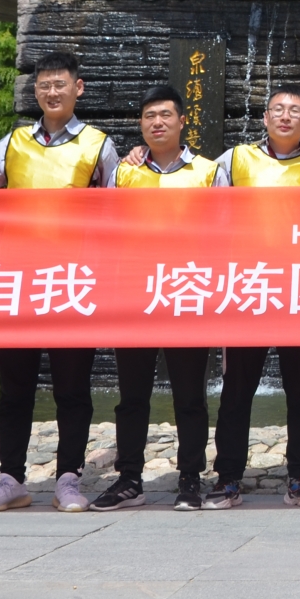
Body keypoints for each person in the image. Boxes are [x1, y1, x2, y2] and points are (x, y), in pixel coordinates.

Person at [0, 50, 117, 513]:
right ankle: (11, 480)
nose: (52, 92)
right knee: (14, 387)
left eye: (60, 84)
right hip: (17, 282)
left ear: (78, 88)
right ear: (34, 91)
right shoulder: (16, 141)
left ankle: (69, 479)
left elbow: (118, 213)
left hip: (73, 283)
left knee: (72, 388)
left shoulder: (99, 145)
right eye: (44, 85)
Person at [91, 84, 220, 512]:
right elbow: (106, 227)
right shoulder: (124, 172)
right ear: (141, 124)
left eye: (165, 115)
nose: (157, 122)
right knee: (131, 396)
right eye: (149, 116)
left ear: (183, 121)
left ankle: (190, 478)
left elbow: (227, 229)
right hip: (135, 295)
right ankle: (129, 478)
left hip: (188, 293)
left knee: (190, 395)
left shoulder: (207, 171)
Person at [211, 84, 300, 508]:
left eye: (295, 110)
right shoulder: (234, 160)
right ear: (264, 117)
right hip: (249, 289)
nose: (285, 116)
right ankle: (227, 478)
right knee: (236, 390)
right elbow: (206, 209)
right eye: (277, 109)